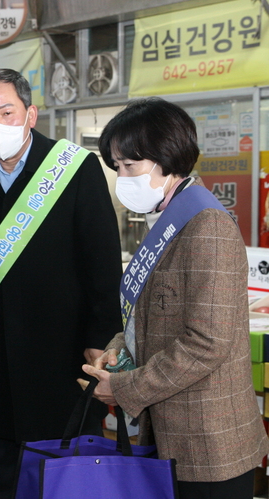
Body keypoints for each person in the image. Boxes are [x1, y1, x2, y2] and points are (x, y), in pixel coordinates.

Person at [0, 68, 122, 498]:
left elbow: (101, 260)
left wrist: (101, 337)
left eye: (7, 111)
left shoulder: (74, 167)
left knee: (64, 474)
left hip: (63, 354)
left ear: (30, 114)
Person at [81, 97, 269, 499]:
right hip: (170, 431)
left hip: (208, 442)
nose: (122, 177)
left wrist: (125, 388)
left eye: (129, 166)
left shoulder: (206, 226)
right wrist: (118, 350)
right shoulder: (169, 218)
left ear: (166, 158)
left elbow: (207, 342)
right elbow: (151, 312)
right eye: (116, 167)